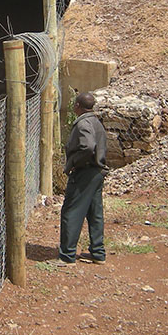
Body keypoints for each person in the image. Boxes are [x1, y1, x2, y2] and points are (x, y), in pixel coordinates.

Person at [58, 91, 108, 265]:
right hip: (97, 173)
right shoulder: (96, 122)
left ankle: (67, 256)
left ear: (77, 106)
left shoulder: (83, 124)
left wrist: (75, 163)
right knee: (95, 213)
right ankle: (98, 253)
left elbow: (87, 147)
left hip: (84, 173)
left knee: (71, 211)